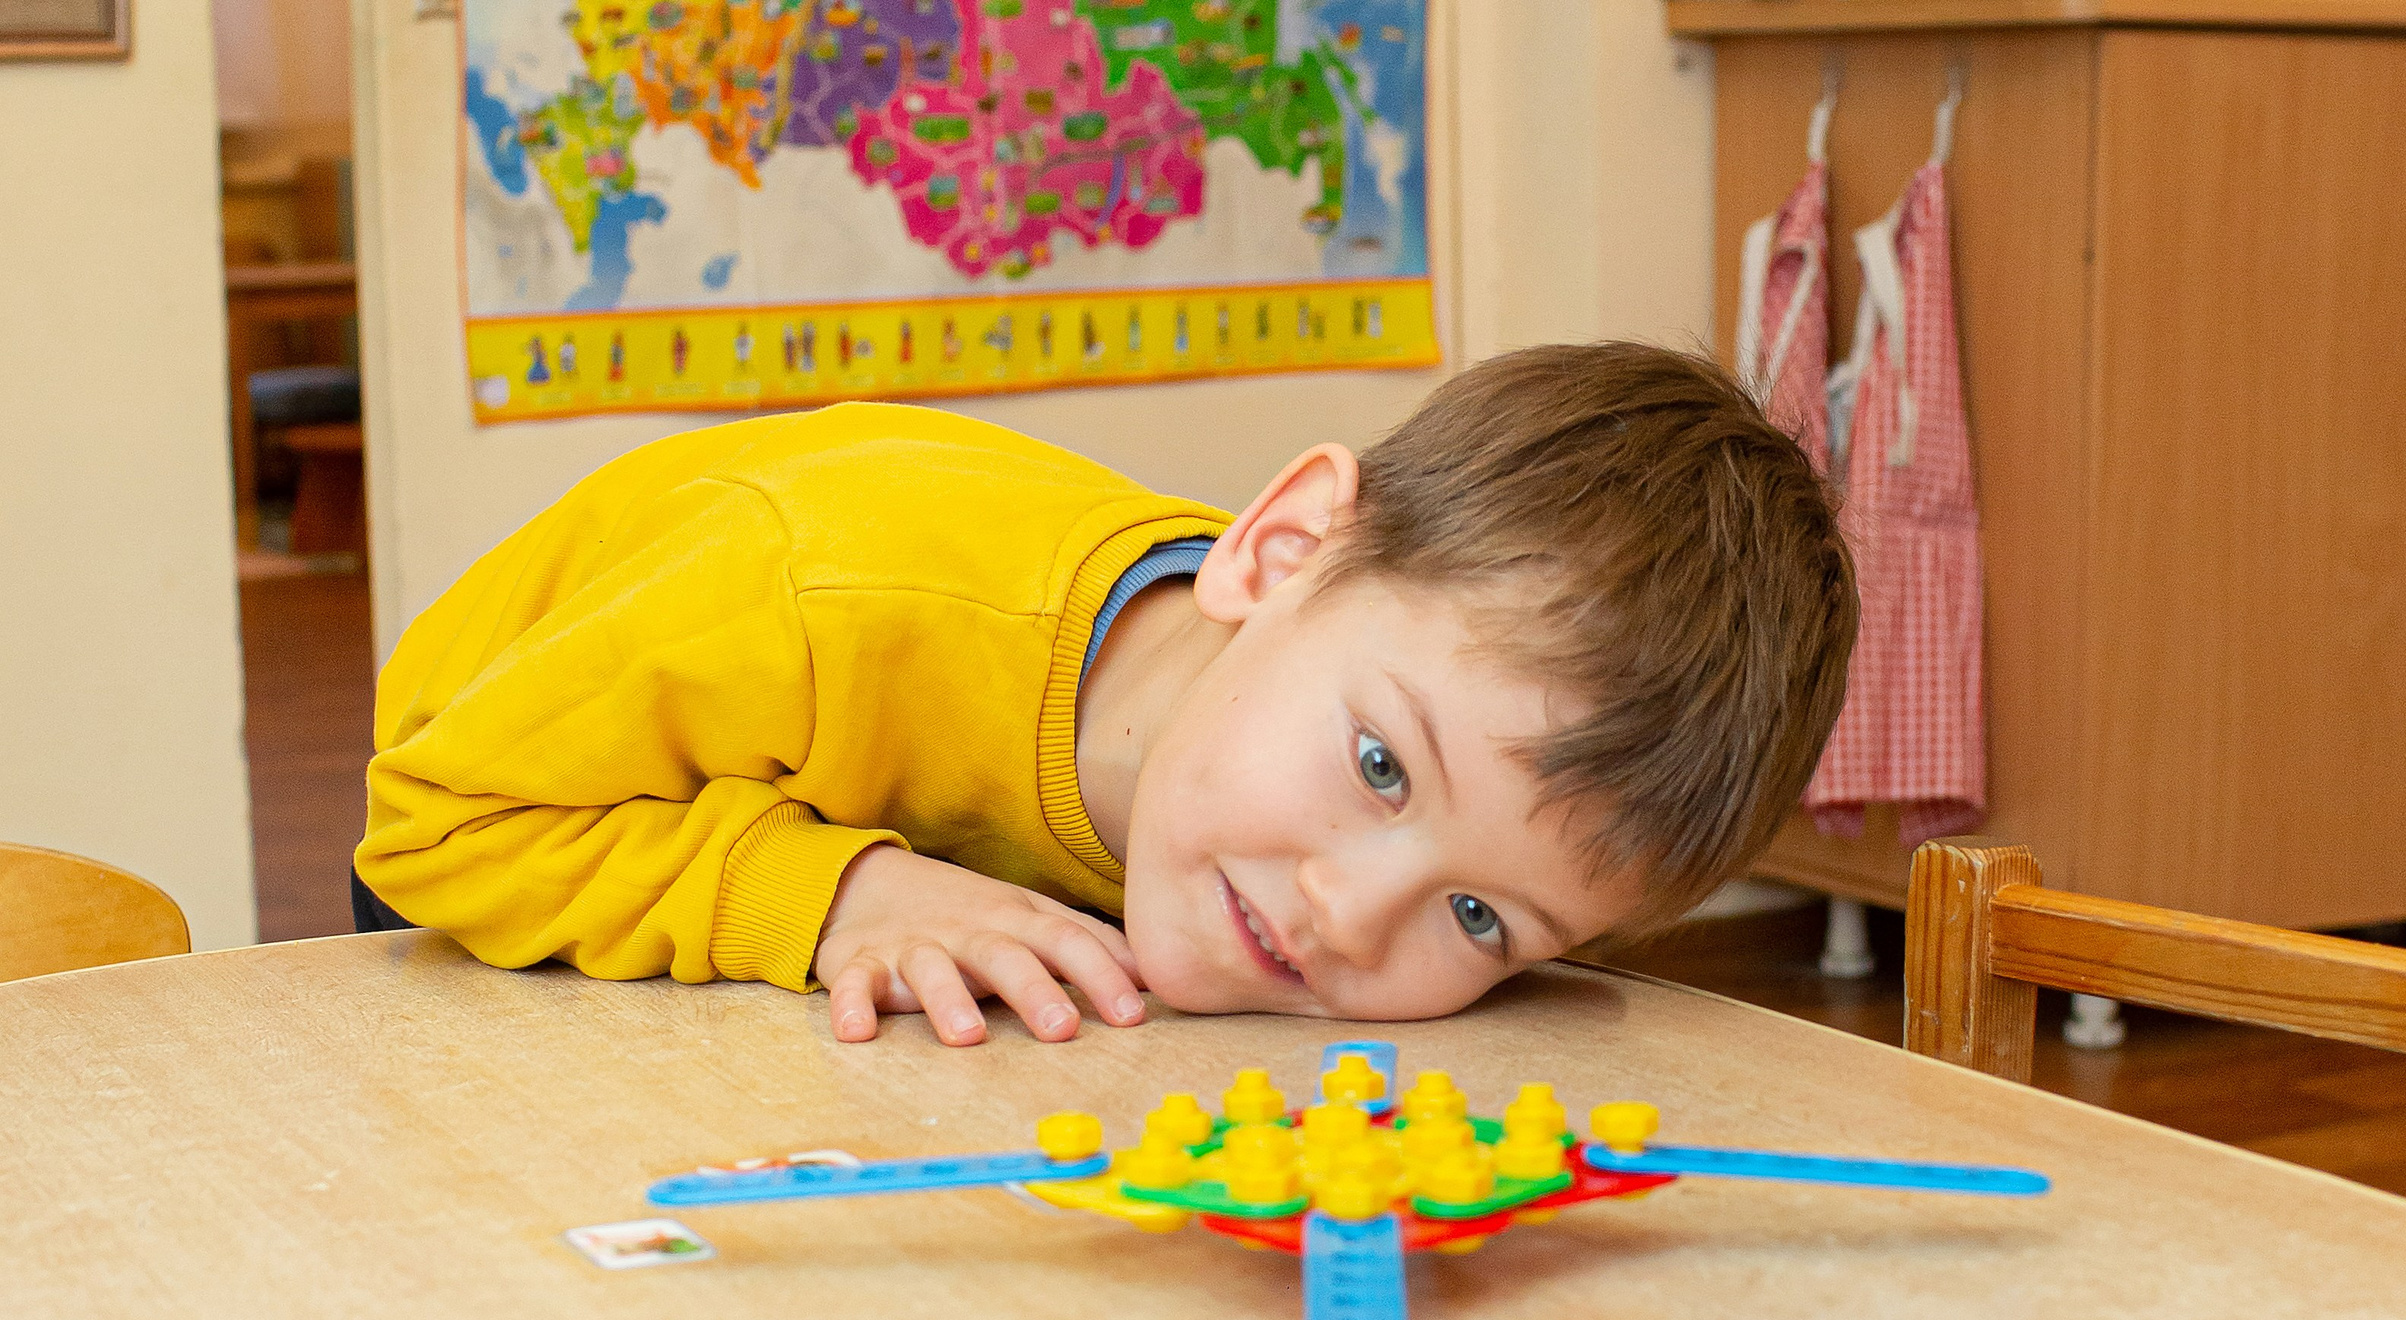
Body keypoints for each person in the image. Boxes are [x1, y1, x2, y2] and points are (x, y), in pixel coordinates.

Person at [354, 342, 1856, 1047]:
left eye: (1480, 920)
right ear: (1278, 551)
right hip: (523, 834)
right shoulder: (829, 588)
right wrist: (841, 900)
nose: (1347, 916)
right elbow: (427, 819)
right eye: (1385, 771)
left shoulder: (1267, 740)